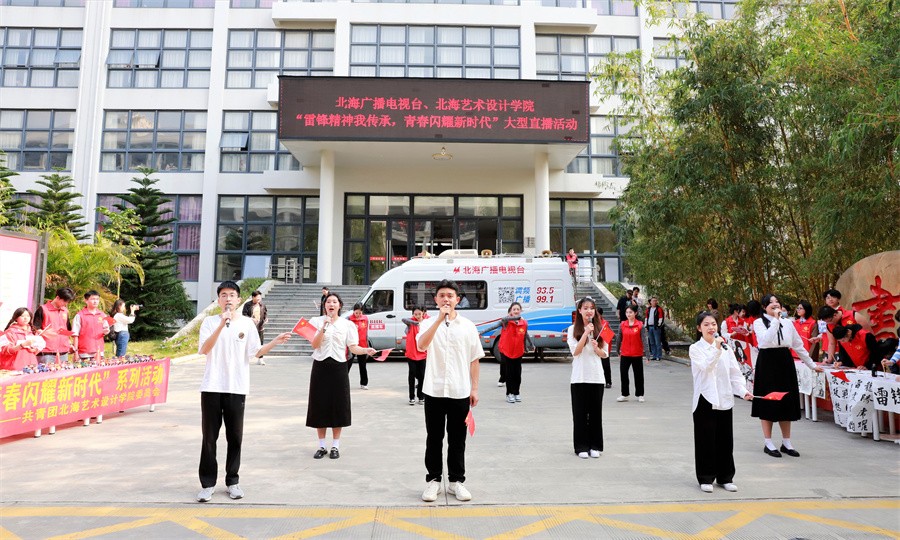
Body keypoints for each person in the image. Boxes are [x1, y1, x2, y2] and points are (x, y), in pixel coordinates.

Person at [197, 280, 291, 502]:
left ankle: (233, 481)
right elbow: (204, 349)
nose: (228, 299)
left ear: (239, 299)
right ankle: (207, 484)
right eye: (223, 295)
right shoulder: (210, 322)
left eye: (232, 295)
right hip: (212, 387)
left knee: (235, 437)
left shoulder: (248, 324)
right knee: (209, 438)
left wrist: (274, 342)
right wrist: (222, 324)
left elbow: (256, 352)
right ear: (218, 300)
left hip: (236, 388)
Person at [416, 279, 484, 503]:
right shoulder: (427, 323)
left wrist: (474, 388)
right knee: (434, 438)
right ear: (435, 299)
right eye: (442, 295)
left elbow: (474, 358)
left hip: (459, 391)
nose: (446, 299)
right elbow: (421, 346)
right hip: (434, 390)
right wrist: (438, 320)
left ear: (458, 299)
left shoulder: (468, 326)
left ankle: (456, 481)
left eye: (450, 295)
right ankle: (434, 481)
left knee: (457, 439)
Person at [752, 294, 823, 459]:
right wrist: (776, 321)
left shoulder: (788, 323)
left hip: (785, 361)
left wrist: (812, 365)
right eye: (771, 303)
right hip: (767, 362)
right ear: (764, 307)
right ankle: (768, 442)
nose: (775, 304)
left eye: (777, 302)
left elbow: (798, 345)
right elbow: (765, 341)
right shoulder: (758, 322)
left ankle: (786, 442)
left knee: (786, 401)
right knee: (768, 401)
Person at [689, 311, 752, 493]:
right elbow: (706, 367)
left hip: (724, 397)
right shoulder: (695, 349)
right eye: (706, 324)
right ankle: (705, 477)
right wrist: (717, 348)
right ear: (699, 328)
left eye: (713, 324)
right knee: (705, 440)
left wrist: (743, 391)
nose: (711, 327)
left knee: (725, 440)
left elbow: (735, 373)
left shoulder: (726, 349)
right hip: (705, 398)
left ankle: (725, 477)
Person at [308, 293, 376, 460]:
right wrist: (324, 327)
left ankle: (335, 446)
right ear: (324, 305)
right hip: (320, 367)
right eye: (328, 302)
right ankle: (322, 445)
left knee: (338, 405)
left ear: (339, 305)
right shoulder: (316, 322)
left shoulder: (347, 325)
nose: (331, 304)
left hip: (339, 367)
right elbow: (315, 345)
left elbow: (353, 347)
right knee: (320, 405)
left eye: (334, 302)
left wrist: (365, 350)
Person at [567, 297, 609, 458]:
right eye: (585, 308)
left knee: (595, 414)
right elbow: (575, 352)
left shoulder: (602, 328)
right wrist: (585, 333)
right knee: (580, 414)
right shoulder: (572, 329)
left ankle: (595, 446)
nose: (589, 311)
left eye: (591, 308)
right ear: (579, 311)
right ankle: (581, 447)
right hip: (579, 377)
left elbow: (604, 354)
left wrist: (597, 349)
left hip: (596, 377)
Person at [479, 302, 534, 403]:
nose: (516, 311)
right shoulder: (505, 322)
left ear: (521, 311)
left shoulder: (524, 323)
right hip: (507, 351)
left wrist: (530, 345)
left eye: (518, 309)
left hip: (518, 352)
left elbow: (525, 335)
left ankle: (516, 392)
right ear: (510, 311)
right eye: (514, 309)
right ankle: (509, 393)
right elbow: (492, 327)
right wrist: (480, 332)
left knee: (517, 374)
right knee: (509, 374)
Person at [32, 286, 75, 364]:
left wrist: (69, 344)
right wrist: (45, 333)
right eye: (64, 301)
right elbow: (35, 327)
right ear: (57, 297)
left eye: (67, 302)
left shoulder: (65, 311)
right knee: (45, 371)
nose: (65, 304)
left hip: (63, 351)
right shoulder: (43, 309)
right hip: (46, 351)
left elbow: (67, 328)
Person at [822, 288, 861, 363]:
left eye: (833, 297)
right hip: (835, 351)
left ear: (838, 299)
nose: (830, 299)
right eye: (828, 298)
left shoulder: (850, 314)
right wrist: (829, 359)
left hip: (855, 350)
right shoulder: (825, 317)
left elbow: (866, 333)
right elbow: (831, 342)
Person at [617, 305, 646, 402]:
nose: (628, 314)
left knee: (638, 375)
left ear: (635, 313)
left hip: (637, 354)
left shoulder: (640, 325)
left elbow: (644, 340)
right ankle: (625, 394)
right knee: (623, 374)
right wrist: (617, 350)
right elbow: (619, 338)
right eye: (627, 312)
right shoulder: (622, 325)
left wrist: (647, 353)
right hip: (625, 353)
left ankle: (640, 394)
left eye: (630, 312)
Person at [72, 290, 109, 361]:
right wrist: (75, 352)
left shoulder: (102, 315)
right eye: (93, 299)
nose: (95, 301)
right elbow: (75, 335)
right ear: (86, 301)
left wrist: (106, 331)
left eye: (97, 299)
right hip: (84, 353)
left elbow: (106, 330)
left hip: (99, 351)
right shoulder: (80, 315)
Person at [402, 306, 428, 405]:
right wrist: (415, 323)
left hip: (422, 353)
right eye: (415, 314)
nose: (417, 316)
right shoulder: (410, 322)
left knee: (422, 376)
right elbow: (403, 319)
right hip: (411, 353)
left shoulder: (426, 323)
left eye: (419, 314)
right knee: (412, 375)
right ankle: (411, 397)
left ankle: (421, 397)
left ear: (423, 313)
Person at [346, 303, 371, 389]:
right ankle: (343, 382)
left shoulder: (365, 319)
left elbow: (366, 332)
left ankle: (364, 383)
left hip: (363, 345)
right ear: (353, 311)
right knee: (348, 365)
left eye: (360, 313)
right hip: (352, 345)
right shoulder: (349, 319)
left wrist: (367, 345)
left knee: (363, 365)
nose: (358, 315)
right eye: (356, 313)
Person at [242, 291, 268, 366]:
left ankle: (260, 359)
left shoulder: (262, 305)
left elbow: (265, 313)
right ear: (253, 297)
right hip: (250, 327)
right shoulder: (247, 305)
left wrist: (266, 319)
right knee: (247, 342)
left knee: (260, 343)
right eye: (257, 298)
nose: (259, 299)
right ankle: (245, 358)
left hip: (260, 327)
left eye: (260, 298)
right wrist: (251, 319)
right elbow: (244, 314)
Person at [645, 297, 664, 361]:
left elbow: (661, 318)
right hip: (649, 327)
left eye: (656, 301)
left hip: (656, 327)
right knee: (652, 342)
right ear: (650, 302)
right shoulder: (648, 309)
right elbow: (646, 318)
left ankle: (659, 356)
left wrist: (658, 325)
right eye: (653, 301)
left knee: (657, 342)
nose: (655, 302)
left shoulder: (659, 309)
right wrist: (646, 326)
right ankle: (654, 355)